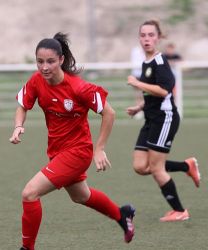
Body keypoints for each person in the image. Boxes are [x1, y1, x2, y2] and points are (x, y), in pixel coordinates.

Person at [9, 32, 135, 250]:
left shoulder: (79, 88)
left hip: (78, 152)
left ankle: (26, 248)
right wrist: (19, 125)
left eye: (50, 61)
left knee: (29, 193)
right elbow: (22, 104)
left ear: (61, 60)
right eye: (40, 61)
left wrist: (100, 149)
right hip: (56, 151)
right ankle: (122, 215)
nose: (44, 67)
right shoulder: (37, 81)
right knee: (81, 196)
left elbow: (109, 113)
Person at [126, 20, 200, 222]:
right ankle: (187, 166)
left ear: (158, 37)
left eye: (151, 35)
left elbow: (164, 90)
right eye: (143, 35)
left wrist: (136, 83)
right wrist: (139, 107)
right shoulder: (147, 62)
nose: (147, 39)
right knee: (141, 166)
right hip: (151, 118)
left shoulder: (159, 61)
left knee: (157, 168)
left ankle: (179, 211)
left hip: (165, 119)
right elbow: (153, 93)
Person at [130, 45, 146, 119]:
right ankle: (138, 110)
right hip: (136, 74)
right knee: (137, 93)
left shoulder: (147, 50)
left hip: (144, 74)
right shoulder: (135, 50)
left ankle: (143, 110)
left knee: (144, 93)